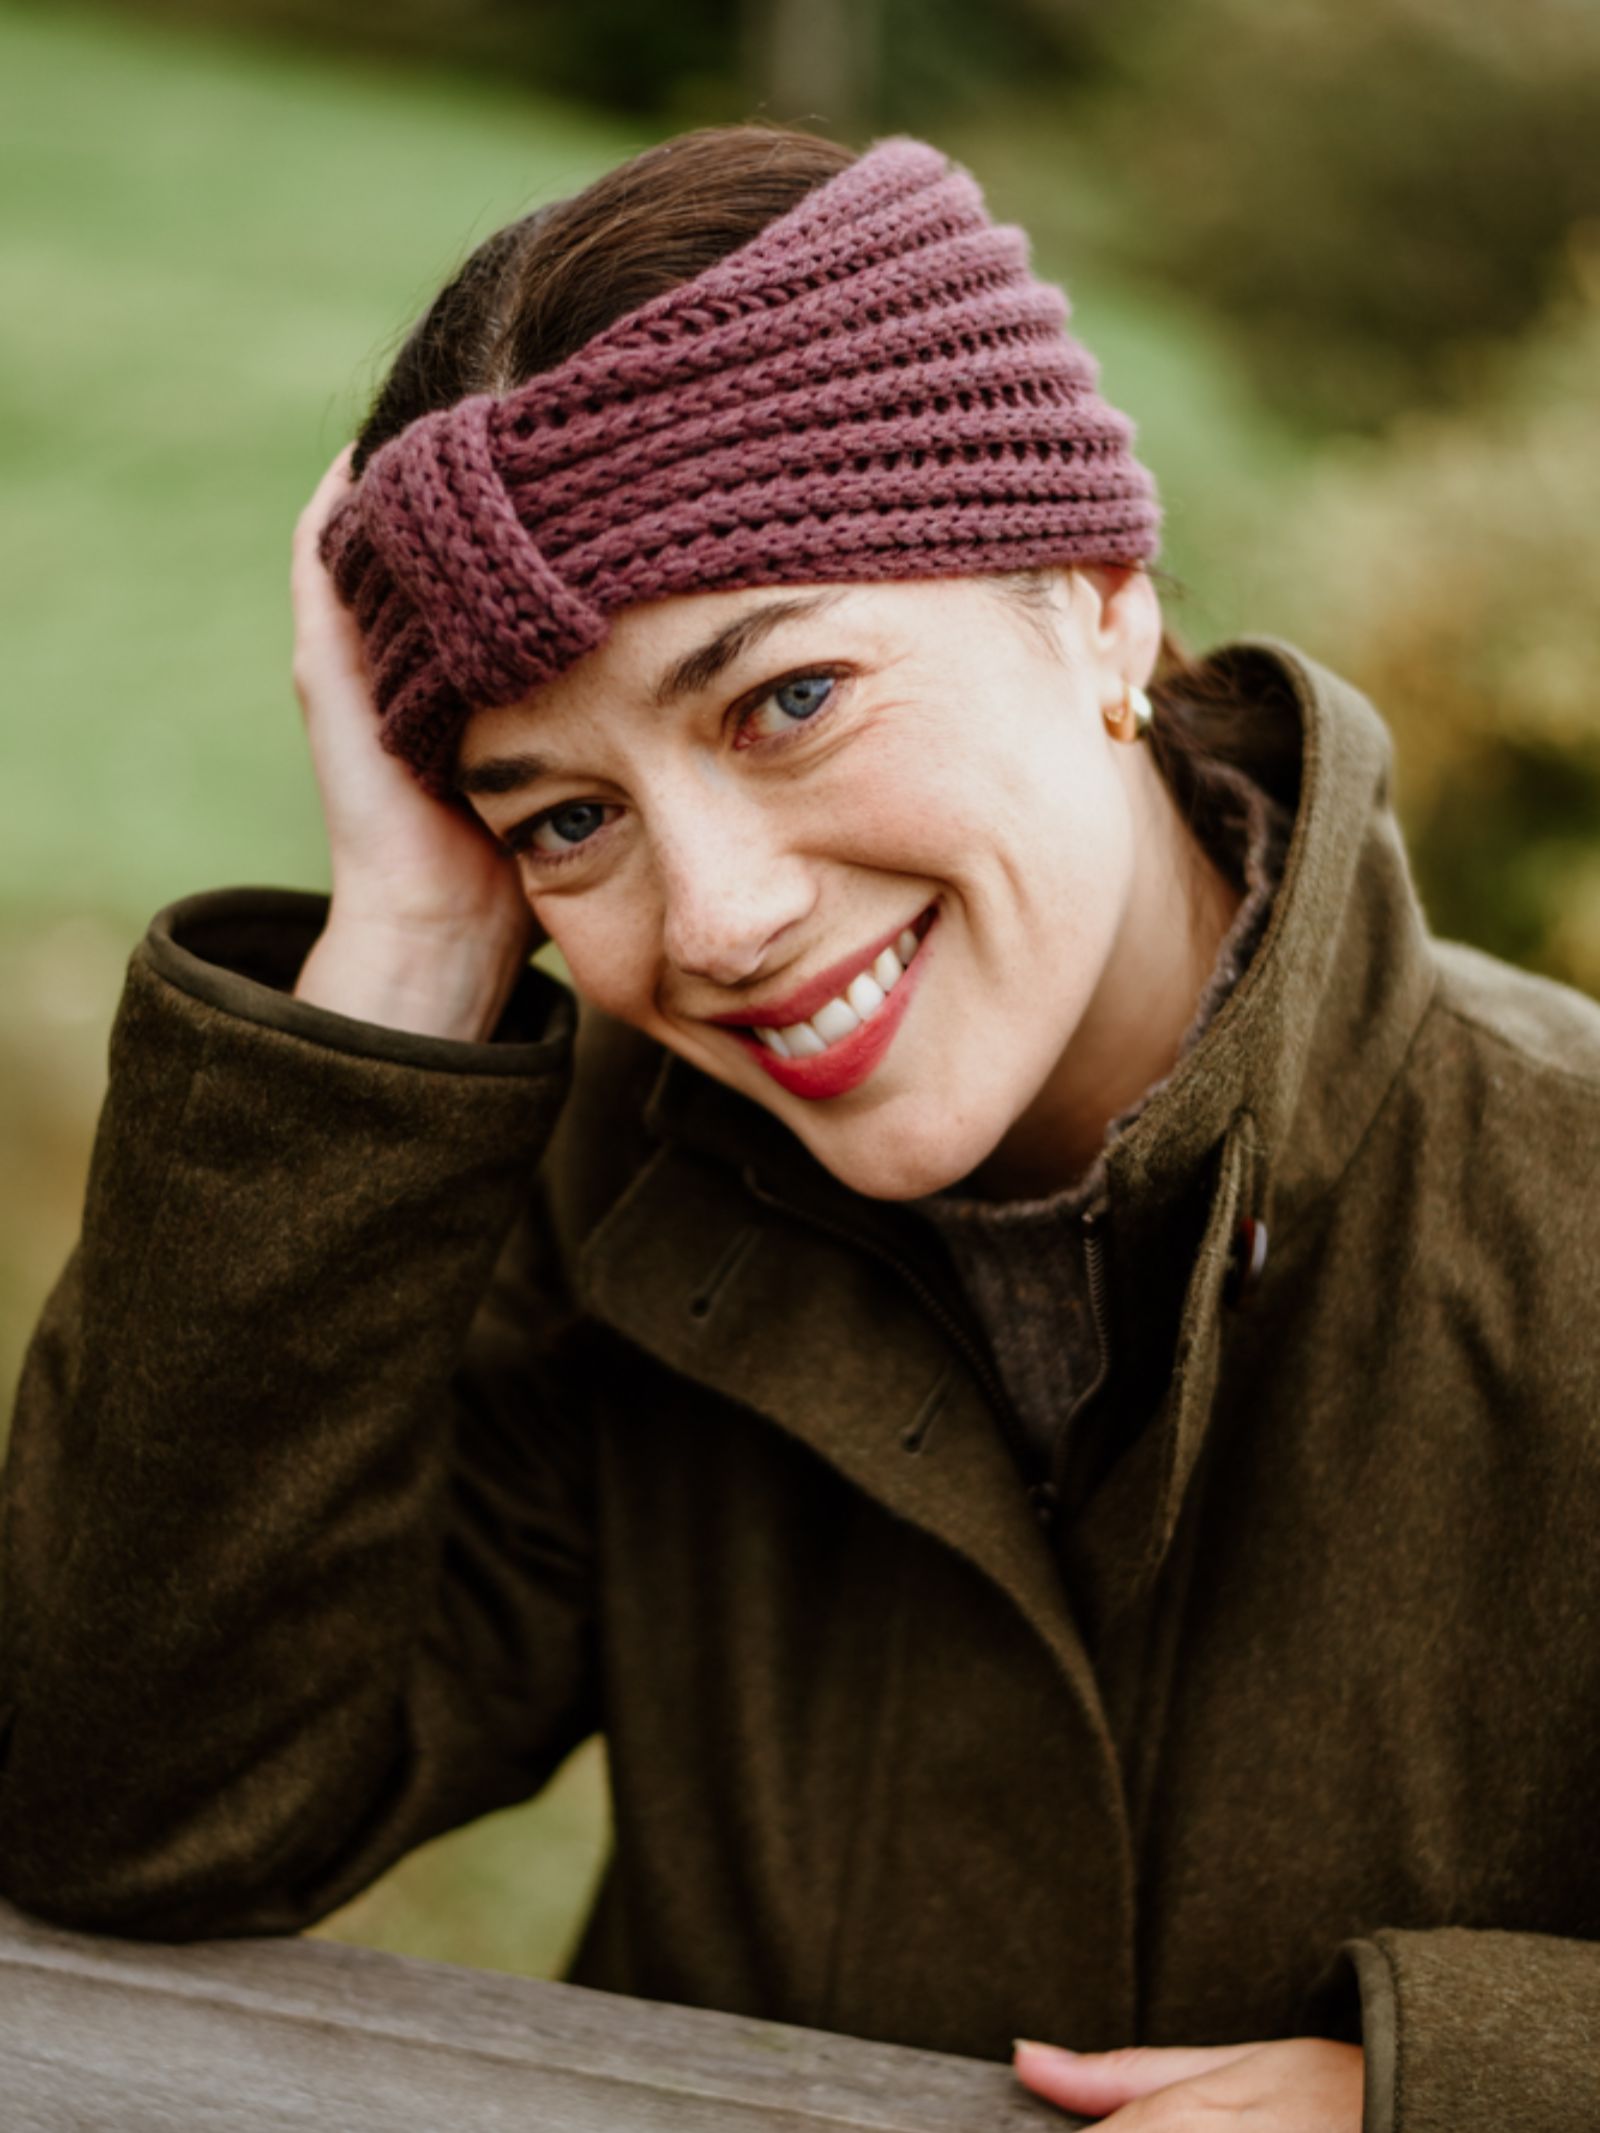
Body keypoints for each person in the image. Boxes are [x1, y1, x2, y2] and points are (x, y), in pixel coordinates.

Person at [1, 126, 1596, 2133]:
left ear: (1099, 602)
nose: (718, 919)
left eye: (783, 699)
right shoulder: (602, 1185)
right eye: (563, 815)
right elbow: (123, 1807)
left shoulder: (1568, 1210)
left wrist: (1455, 2088)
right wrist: (411, 941)